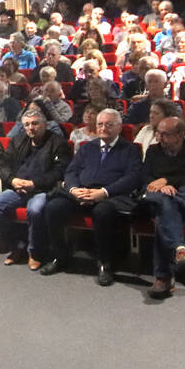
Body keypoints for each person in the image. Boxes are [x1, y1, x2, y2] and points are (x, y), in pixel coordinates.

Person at [39, 109, 143, 285]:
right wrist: (74, 189)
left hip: (110, 196)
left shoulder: (131, 149)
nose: (103, 128)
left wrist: (103, 192)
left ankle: (104, 263)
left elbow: (133, 178)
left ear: (119, 127)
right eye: (100, 124)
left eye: (109, 124)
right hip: (81, 193)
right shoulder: (87, 147)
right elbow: (71, 171)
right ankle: (60, 256)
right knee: (53, 207)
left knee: (102, 212)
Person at [0, 106, 72, 268]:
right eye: (26, 124)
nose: (30, 128)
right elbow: (3, 165)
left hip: (42, 189)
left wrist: (34, 184)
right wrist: (12, 180)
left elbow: (60, 171)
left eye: (35, 123)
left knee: (34, 210)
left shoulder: (58, 142)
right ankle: (18, 245)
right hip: (18, 187)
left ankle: (35, 252)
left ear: (44, 124)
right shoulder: (17, 140)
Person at [139, 116, 185, 298]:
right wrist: (160, 186)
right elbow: (145, 177)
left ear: (181, 134)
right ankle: (180, 249)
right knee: (164, 201)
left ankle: (163, 278)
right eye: (158, 133)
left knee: (166, 211)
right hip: (157, 196)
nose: (159, 138)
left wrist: (167, 181)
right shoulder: (153, 151)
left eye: (165, 134)